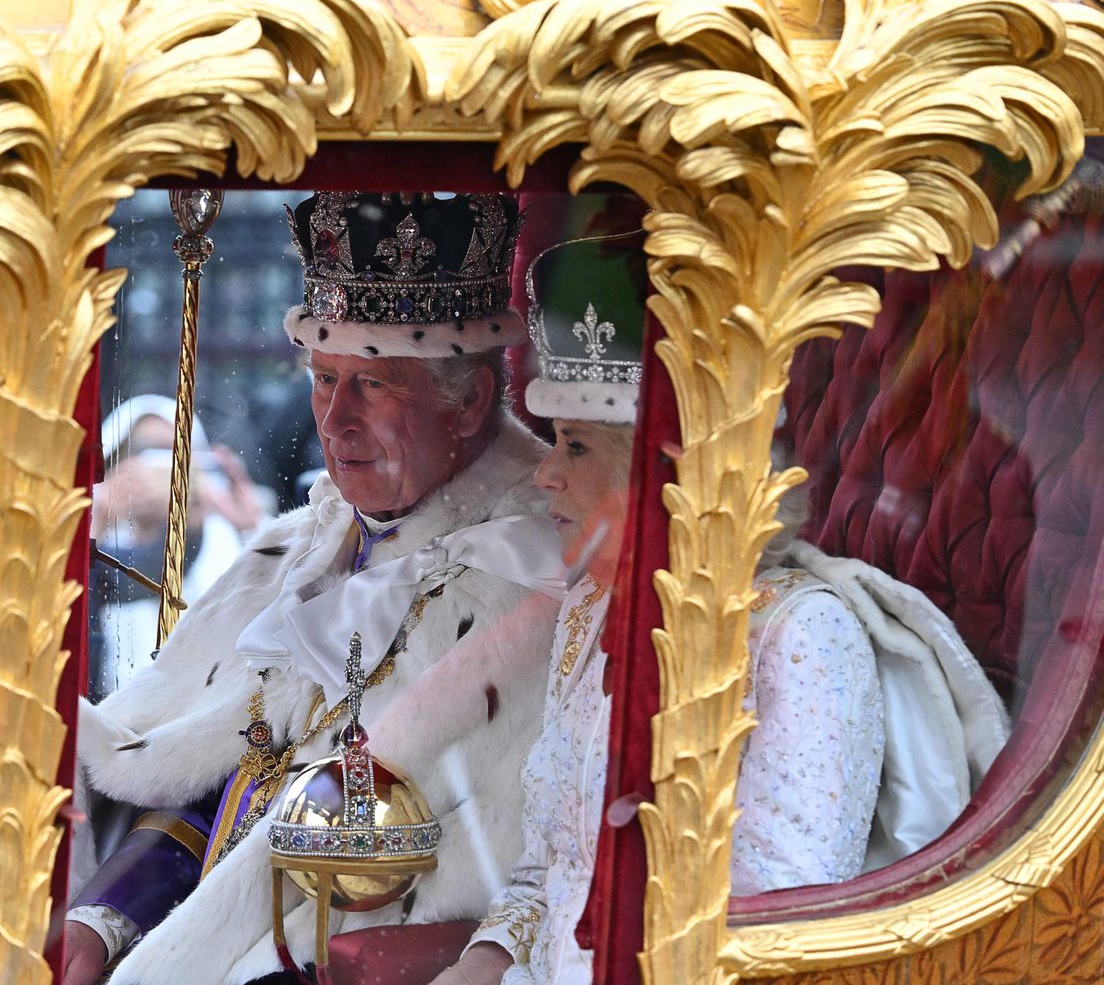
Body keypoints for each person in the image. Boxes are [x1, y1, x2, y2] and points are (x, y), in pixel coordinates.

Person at [430, 237, 1010, 985]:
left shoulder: (801, 636)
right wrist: (482, 961)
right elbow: (550, 862)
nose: (544, 474)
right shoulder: (590, 610)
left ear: (663, 465)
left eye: (575, 446)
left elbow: (779, 921)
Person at [64, 192, 570, 985]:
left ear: (469, 402)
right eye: (324, 379)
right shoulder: (298, 547)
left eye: (373, 386)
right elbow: (207, 781)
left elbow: (458, 888)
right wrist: (102, 917)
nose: (333, 422)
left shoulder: (533, 576)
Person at [89, 394, 269, 695]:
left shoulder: (219, 531)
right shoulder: (98, 528)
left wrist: (251, 529)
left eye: (172, 451)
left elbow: (270, 614)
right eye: (142, 451)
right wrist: (97, 516)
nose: (157, 465)